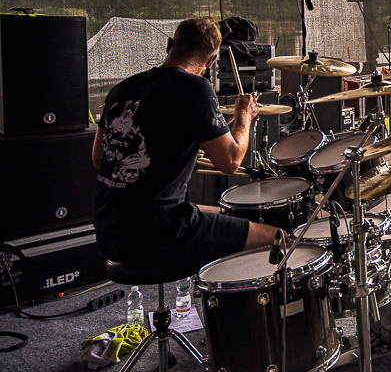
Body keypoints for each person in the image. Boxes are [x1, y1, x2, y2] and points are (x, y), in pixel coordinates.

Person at [92, 17, 278, 273]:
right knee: (277, 236)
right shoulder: (194, 87)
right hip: (155, 234)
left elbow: (99, 158)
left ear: (169, 45)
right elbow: (230, 161)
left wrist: (176, 148)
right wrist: (244, 115)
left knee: (229, 214)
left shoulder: (123, 88)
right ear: (212, 61)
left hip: (107, 232)